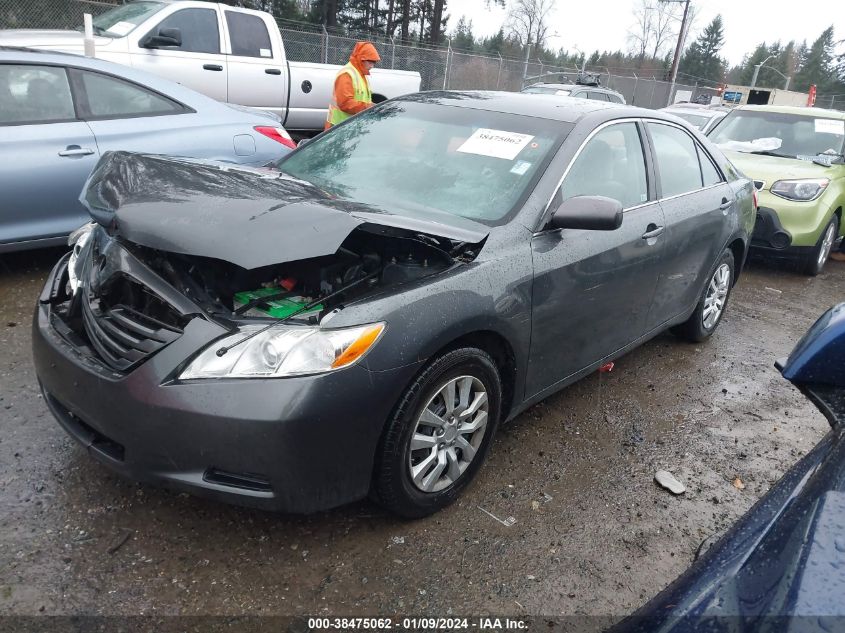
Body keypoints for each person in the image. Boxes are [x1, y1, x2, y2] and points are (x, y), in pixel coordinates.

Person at [325, 41, 380, 130]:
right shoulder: (347, 74)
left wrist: (372, 106)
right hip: (338, 128)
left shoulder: (361, 74)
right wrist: (369, 107)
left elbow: (362, 99)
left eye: (374, 63)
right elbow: (345, 103)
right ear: (361, 59)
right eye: (370, 62)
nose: (372, 65)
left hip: (349, 127)